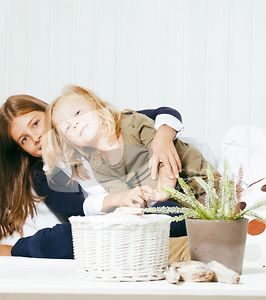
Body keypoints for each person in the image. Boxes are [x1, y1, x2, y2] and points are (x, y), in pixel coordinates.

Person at [0, 94, 184, 258]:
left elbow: (164, 113)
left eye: (36, 123)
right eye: (24, 139)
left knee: (170, 215)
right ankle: (14, 250)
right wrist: (119, 199)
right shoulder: (44, 173)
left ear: (48, 114)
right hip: (102, 223)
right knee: (62, 237)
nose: (36, 137)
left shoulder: (85, 127)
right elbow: (72, 207)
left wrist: (162, 139)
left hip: (148, 207)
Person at [42, 85, 220, 215]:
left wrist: (164, 190)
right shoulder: (98, 164)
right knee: (156, 220)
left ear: (94, 105)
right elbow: (122, 193)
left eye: (78, 113)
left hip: (199, 184)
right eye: (66, 127)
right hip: (170, 203)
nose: (74, 124)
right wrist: (138, 197)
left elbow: (165, 161)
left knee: (219, 212)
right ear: (71, 142)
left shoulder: (133, 124)